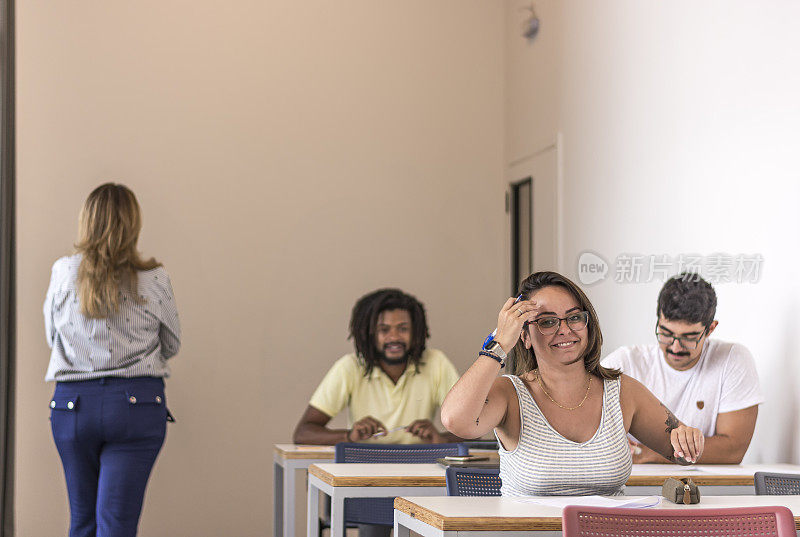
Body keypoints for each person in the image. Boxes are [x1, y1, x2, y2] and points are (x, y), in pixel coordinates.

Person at [441, 271, 704, 497]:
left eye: (574, 317)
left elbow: (680, 453)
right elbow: (456, 420)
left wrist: (689, 440)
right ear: (525, 337)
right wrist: (499, 345)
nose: (565, 329)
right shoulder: (510, 393)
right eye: (547, 322)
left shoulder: (622, 390)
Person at [44, 183, 181, 537]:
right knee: (116, 526)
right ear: (133, 223)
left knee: (82, 523)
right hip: (136, 406)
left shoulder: (62, 273)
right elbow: (171, 344)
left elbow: (52, 338)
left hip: (73, 407)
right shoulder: (154, 279)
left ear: (86, 222)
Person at [602, 273, 763, 464]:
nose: (675, 347)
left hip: (704, 485)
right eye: (666, 333)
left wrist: (647, 453)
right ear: (657, 321)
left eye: (689, 337)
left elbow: (732, 450)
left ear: (710, 329)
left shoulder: (732, 360)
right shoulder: (624, 362)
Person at [293, 288, 460, 445]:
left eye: (403, 328)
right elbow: (303, 433)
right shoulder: (350, 367)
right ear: (368, 333)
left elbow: (472, 428)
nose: (394, 337)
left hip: (420, 468)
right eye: (384, 329)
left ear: (416, 331)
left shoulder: (436, 363)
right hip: (362, 469)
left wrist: (441, 439)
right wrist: (349, 436)